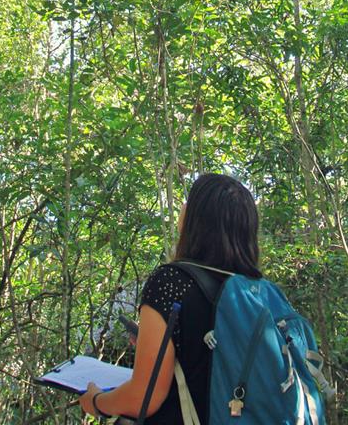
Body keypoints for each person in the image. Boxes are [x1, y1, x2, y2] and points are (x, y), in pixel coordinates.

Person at [78, 173, 261, 423]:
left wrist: (96, 401)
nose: (182, 209)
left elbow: (144, 397)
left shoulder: (171, 282)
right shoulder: (258, 292)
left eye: (188, 203)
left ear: (197, 221)